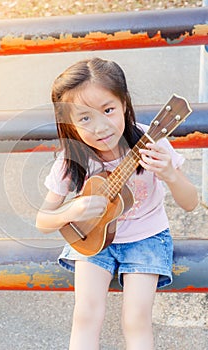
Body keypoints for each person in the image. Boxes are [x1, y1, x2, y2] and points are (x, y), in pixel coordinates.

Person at [36, 57, 198, 350]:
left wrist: (170, 175)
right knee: (85, 315)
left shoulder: (152, 143)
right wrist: (72, 210)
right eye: (84, 118)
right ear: (70, 124)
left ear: (124, 103)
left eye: (108, 110)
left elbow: (190, 202)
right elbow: (42, 220)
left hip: (146, 238)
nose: (100, 127)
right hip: (92, 238)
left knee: (135, 320)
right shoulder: (72, 158)